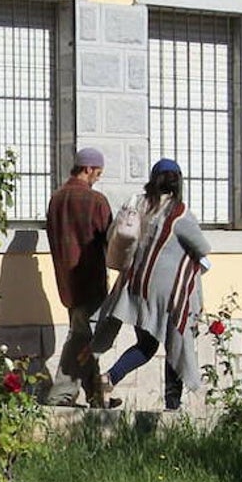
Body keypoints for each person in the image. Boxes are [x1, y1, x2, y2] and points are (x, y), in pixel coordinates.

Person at [92, 158, 211, 411]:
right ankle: (172, 404)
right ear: (178, 182)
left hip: (137, 289)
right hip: (169, 296)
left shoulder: (139, 206)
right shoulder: (180, 214)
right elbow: (202, 247)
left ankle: (109, 377)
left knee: (146, 345)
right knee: (174, 344)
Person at [45, 147, 113, 407]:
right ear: (88, 169)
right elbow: (109, 240)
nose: (97, 178)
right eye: (97, 173)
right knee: (81, 336)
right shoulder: (96, 201)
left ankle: (96, 396)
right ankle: (61, 393)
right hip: (90, 278)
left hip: (65, 279)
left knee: (84, 332)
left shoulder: (56, 199)